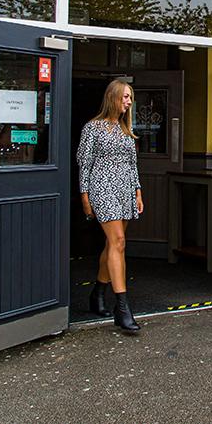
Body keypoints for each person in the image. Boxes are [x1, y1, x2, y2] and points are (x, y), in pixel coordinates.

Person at [77, 79, 143, 332]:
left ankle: (98, 293)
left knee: (112, 243)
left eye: (130, 97)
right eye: (125, 97)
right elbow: (84, 163)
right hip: (102, 188)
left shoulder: (126, 130)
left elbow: (132, 164)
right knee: (119, 242)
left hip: (125, 189)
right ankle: (122, 307)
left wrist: (137, 191)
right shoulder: (92, 128)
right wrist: (85, 196)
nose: (128, 102)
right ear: (112, 97)